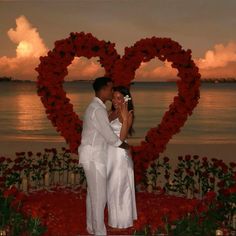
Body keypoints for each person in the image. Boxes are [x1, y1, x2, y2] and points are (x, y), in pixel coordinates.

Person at [78, 77, 129, 235]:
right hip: (94, 157)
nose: (112, 92)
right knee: (100, 197)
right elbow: (110, 137)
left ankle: (91, 227)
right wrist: (127, 146)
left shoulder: (95, 107)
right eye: (111, 89)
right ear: (104, 89)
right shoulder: (98, 109)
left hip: (91, 155)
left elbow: (101, 128)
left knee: (93, 195)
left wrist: (112, 117)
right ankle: (99, 232)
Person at [107, 86, 137, 228]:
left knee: (120, 186)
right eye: (113, 97)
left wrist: (125, 119)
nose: (115, 100)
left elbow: (121, 138)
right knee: (111, 187)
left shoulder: (128, 114)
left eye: (119, 98)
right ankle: (114, 219)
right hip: (109, 155)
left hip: (119, 156)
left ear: (125, 99)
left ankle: (122, 222)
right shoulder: (111, 113)